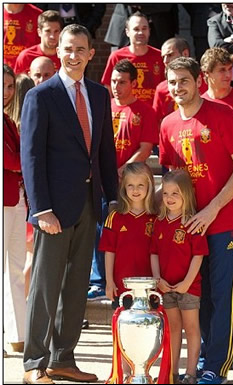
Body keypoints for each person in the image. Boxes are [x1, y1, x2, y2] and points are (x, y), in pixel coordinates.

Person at [20, 24, 118, 384]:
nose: (73, 55)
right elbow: (31, 157)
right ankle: (34, 363)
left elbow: (104, 150)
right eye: (67, 49)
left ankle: (63, 359)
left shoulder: (100, 94)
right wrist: (40, 208)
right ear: (57, 51)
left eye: (80, 49)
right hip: (53, 211)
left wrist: (114, 197)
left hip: (89, 205)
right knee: (46, 288)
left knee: (76, 288)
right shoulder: (40, 96)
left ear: (91, 54)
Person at [158, 57, 233, 384]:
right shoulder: (168, 124)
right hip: (190, 228)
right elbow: (171, 175)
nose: (177, 87)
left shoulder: (223, 115)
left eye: (183, 80)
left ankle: (217, 366)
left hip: (224, 221)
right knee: (200, 297)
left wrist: (212, 208)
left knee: (223, 296)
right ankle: (200, 364)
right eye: (172, 82)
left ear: (198, 81)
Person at [88, 58, 159, 300]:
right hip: (101, 180)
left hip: (130, 182)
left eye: (122, 82)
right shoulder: (102, 107)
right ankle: (98, 280)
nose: (116, 86)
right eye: (113, 81)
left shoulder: (145, 111)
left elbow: (146, 147)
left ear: (134, 83)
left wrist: (122, 171)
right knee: (101, 227)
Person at [151, 170, 209, 384]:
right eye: (166, 193)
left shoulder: (194, 223)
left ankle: (191, 373)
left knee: (192, 329)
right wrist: (158, 278)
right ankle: (172, 372)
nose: (169, 198)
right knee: (173, 329)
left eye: (175, 193)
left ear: (186, 194)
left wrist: (187, 283)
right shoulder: (159, 222)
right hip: (166, 287)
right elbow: (154, 252)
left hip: (189, 288)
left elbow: (198, 256)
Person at [99, 162, 156, 304]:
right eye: (130, 185)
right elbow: (109, 252)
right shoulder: (115, 217)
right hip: (122, 286)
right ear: (123, 187)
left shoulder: (156, 218)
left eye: (140, 185)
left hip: (149, 286)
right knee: (124, 323)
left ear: (149, 186)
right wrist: (109, 281)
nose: (135, 190)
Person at [4, 64, 27, 354]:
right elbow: (11, 161)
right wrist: (31, 163)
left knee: (16, 270)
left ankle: (17, 333)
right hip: (4, 201)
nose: (7, 93)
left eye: (11, 87)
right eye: (3, 86)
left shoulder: (8, 121)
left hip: (15, 200)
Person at [101, 11, 164, 106]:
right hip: (125, 114)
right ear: (127, 32)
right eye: (136, 29)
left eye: (144, 28)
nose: (141, 32)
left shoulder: (160, 56)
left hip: (153, 115)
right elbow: (108, 88)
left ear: (149, 31)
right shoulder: (117, 56)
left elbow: (165, 87)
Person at [152, 37, 207, 123]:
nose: (165, 61)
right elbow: (156, 121)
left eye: (170, 55)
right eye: (163, 57)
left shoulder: (206, 81)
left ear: (185, 53)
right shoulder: (161, 89)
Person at [13, 10, 62, 75]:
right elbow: (18, 84)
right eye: (48, 31)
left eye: (56, 31)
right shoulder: (26, 57)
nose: (52, 36)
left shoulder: (65, 56)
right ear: (39, 32)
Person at [36, 4, 106, 38]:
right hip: (54, 26)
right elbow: (39, 7)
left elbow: (99, 7)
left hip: (79, 25)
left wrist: (88, 27)